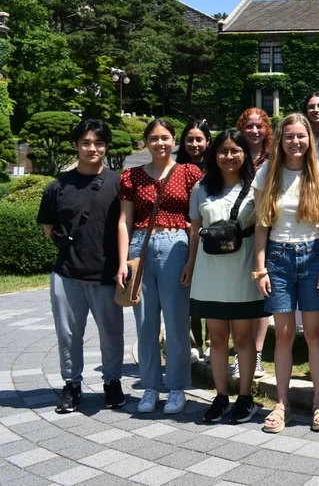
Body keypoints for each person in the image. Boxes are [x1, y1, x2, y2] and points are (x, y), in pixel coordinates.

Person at [252, 113, 319, 433]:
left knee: (314, 334)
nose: (295, 142)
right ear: (280, 140)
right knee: (284, 334)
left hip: (314, 256)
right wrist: (260, 269)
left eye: (301, 136)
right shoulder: (267, 174)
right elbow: (262, 225)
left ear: (309, 139)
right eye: (289, 136)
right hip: (278, 258)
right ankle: (282, 404)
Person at [38, 119, 125, 413]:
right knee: (68, 334)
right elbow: (48, 225)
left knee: (111, 334)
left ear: (106, 146)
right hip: (67, 274)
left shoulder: (118, 183)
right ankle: (71, 385)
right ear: (76, 145)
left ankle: (112, 382)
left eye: (98, 143)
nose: (92, 148)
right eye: (86, 143)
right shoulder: (57, 186)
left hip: (107, 274)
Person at [118, 118, 203, 414]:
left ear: (174, 140)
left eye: (165, 137)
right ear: (146, 142)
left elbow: (196, 220)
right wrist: (122, 262)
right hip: (140, 246)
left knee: (177, 321)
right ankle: (150, 386)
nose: (160, 143)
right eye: (153, 138)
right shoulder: (131, 176)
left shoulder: (188, 172)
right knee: (145, 322)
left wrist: (192, 261)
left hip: (176, 243)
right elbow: (124, 220)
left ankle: (178, 387)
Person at [181, 130, 264, 424]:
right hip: (209, 272)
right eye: (222, 151)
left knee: (243, 338)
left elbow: (264, 229)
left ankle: (245, 397)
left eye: (235, 151)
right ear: (213, 155)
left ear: (246, 154)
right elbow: (195, 229)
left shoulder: (257, 186)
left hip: (243, 271)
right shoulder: (202, 187)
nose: (228, 157)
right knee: (217, 338)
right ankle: (220, 396)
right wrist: (190, 264)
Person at [236, 108, 272, 379]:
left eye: (259, 126)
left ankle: (256, 354)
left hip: (267, 229)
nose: (254, 131)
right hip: (236, 231)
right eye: (249, 126)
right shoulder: (232, 151)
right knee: (239, 294)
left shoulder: (273, 156)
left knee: (261, 294)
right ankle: (240, 352)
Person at [177, 118, 213, 363]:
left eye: (199, 139)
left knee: (211, 290)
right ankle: (194, 343)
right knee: (188, 291)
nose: (194, 144)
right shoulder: (175, 168)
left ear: (208, 141)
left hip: (210, 237)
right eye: (189, 139)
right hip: (183, 235)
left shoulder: (215, 167)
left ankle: (212, 342)